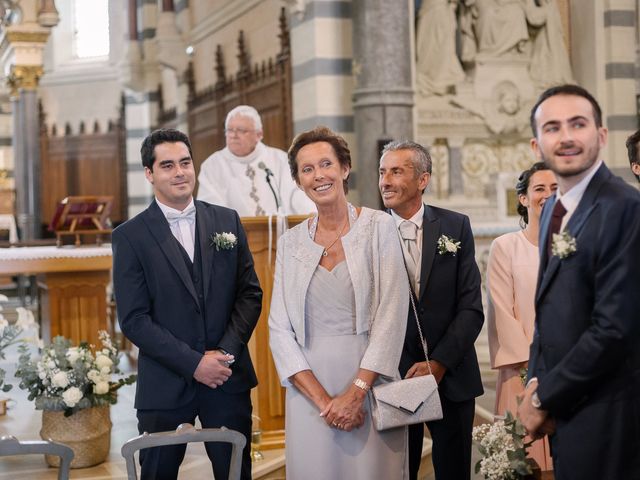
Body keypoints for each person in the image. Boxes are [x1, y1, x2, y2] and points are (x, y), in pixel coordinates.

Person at [112, 128, 263, 480]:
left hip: (227, 379)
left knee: (236, 473)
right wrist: (194, 363)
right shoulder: (130, 236)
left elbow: (249, 293)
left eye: (185, 162)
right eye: (167, 165)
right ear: (149, 174)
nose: (179, 172)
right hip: (165, 384)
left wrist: (223, 355)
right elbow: (134, 319)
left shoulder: (227, 220)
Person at [268, 126, 409, 479]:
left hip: (372, 380)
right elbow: (279, 328)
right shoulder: (290, 243)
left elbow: (392, 313)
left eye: (326, 164)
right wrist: (324, 403)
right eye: (307, 169)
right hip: (309, 390)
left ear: (345, 168)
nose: (319, 176)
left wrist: (356, 393)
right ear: (299, 181)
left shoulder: (380, 228)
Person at [517, 84, 640, 479]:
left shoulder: (625, 208)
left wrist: (544, 398)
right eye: (552, 127)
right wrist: (536, 385)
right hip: (567, 402)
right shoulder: (554, 206)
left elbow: (614, 329)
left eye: (578, 124)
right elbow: (548, 308)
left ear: (601, 136)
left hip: (611, 406)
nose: (566, 136)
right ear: (537, 146)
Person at [379, 140, 484, 480]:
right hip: (395, 374)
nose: (386, 181)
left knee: (454, 470)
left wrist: (438, 362)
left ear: (422, 180)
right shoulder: (369, 233)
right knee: (399, 471)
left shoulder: (455, 227)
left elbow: (471, 307)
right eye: (382, 172)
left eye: (397, 171)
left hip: (451, 372)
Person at [486, 161, 556, 470]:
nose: (548, 194)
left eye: (555, 188)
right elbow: (502, 309)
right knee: (524, 462)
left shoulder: (575, 245)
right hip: (521, 371)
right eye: (539, 188)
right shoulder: (505, 247)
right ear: (524, 199)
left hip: (568, 369)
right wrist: (533, 366)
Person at [197, 105, 316, 216]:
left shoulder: (280, 160)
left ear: (259, 134)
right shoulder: (212, 165)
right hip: (235, 235)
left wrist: (311, 216)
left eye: (241, 130)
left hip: (279, 233)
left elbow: (297, 195)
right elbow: (209, 209)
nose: (233, 135)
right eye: (229, 130)